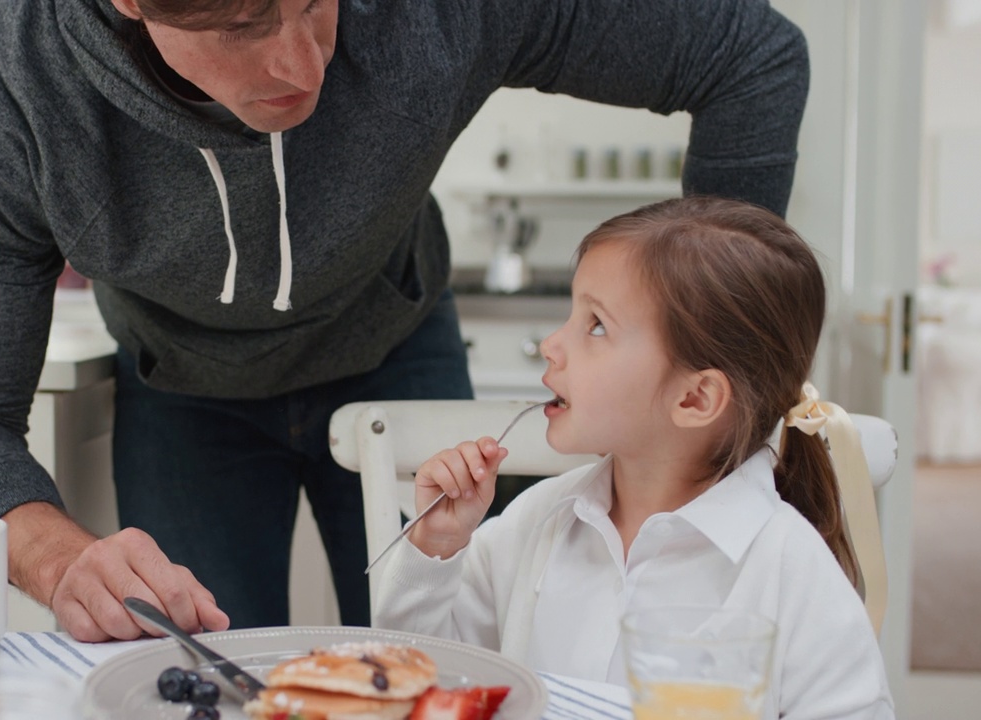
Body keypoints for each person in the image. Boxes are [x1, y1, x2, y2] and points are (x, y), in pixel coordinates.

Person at [0, 0, 810, 640]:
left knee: (452, 664)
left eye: (317, 3)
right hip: (183, 394)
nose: (304, 67)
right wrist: (62, 560)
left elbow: (750, 53)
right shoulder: (9, 96)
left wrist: (704, 339)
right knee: (201, 685)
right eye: (241, 24)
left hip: (395, 344)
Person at [373, 196, 893, 718]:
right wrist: (435, 547)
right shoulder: (534, 523)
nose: (553, 344)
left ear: (694, 399)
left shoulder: (793, 571)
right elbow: (413, 678)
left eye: (596, 325)